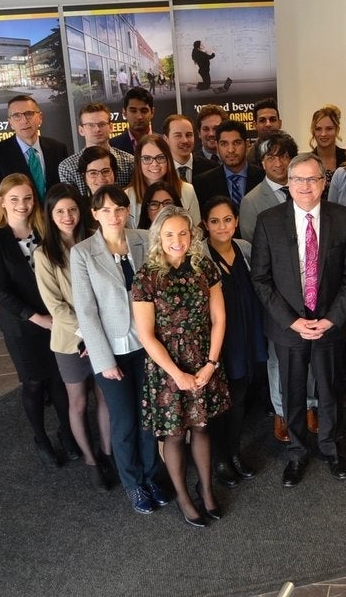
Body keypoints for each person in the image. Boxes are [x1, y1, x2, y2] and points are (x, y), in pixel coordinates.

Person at [251, 152, 346, 487]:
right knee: (294, 391)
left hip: (328, 323)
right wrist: (291, 321)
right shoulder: (269, 220)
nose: (305, 186)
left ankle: (329, 447)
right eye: (298, 179)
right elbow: (261, 279)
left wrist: (331, 319)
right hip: (290, 328)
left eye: (312, 179)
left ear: (323, 182)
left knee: (329, 391)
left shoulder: (342, 218)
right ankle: (297, 452)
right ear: (288, 182)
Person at [132, 206, 232, 528]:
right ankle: (184, 497)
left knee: (202, 427)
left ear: (192, 235)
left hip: (204, 358)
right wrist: (178, 374)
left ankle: (206, 488)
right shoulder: (146, 276)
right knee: (174, 435)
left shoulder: (204, 267)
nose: (178, 241)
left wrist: (211, 364)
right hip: (166, 367)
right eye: (170, 234)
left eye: (183, 233)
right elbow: (146, 334)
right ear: (159, 237)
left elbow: (219, 318)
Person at [71, 186, 164, 515]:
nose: (114, 215)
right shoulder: (82, 253)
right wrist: (103, 360)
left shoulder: (143, 239)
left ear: (128, 211)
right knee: (123, 421)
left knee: (148, 416)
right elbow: (86, 311)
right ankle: (133, 484)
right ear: (94, 214)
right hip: (111, 352)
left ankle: (153, 476)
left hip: (147, 344)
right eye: (106, 209)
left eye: (120, 208)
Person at [0, 174, 73, 468]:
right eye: (15, 199)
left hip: (56, 320)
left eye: (28, 198)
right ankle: (40, 438)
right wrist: (39, 319)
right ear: (2, 202)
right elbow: (1, 291)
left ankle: (67, 432)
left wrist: (57, 316)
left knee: (59, 381)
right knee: (34, 383)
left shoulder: (45, 231)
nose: (22, 205)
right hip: (22, 327)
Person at [33, 183, 112, 491]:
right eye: (60, 211)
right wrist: (88, 334)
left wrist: (100, 332)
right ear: (50, 215)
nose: (67, 216)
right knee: (78, 403)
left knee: (105, 396)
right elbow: (56, 307)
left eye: (72, 209)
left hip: (104, 333)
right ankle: (91, 461)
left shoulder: (96, 241)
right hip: (71, 340)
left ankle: (107, 453)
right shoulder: (44, 255)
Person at [203, 197, 262, 488]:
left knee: (238, 399)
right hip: (216, 342)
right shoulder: (199, 256)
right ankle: (220, 460)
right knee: (218, 403)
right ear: (205, 225)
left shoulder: (246, 249)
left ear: (236, 221)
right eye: (214, 221)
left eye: (227, 219)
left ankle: (234, 451)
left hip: (246, 335)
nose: (222, 226)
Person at [0, 94, 68, 212]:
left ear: (40, 117)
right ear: (10, 122)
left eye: (29, 114)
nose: (24, 120)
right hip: (20, 228)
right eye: (17, 116)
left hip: (56, 225)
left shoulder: (58, 149)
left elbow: (66, 194)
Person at [58, 102, 136, 193]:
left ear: (111, 127)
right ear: (81, 130)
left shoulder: (130, 162)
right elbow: (71, 204)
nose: (97, 129)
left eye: (102, 124)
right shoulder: (67, 167)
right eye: (90, 125)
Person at [126, 133, 201, 226]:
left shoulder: (187, 190)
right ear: (138, 162)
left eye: (160, 157)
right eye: (147, 158)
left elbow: (196, 229)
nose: (154, 164)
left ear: (168, 160)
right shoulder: (127, 196)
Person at [239, 131, 298, 241]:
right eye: (271, 158)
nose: (278, 164)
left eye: (283, 156)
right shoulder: (250, 202)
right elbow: (251, 245)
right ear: (262, 163)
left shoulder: (304, 190)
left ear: (291, 160)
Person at [193, 119, 264, 208]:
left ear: (247, 145)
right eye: (224, 144)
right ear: (217, 147)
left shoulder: (263, 177)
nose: (231, 150)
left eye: (237, 143)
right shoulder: (202, 183)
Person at [163, 113, 219, 184]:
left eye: (189, 135)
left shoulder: (212, 168)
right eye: (178, 136)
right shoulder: (160, 171)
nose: (185, 140)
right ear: (166, 139)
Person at [309, 103, 346, 193]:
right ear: (313, 131)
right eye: (318, 129)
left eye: (329, 129)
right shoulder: (306, 162)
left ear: (337, 130)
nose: (323, 134)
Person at [110, 86, 154, 154]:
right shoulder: (112, 146)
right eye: (133, 111)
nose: (139, 117)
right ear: (124, 113)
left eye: (144, 111)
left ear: (152, 112)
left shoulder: (165, 143)